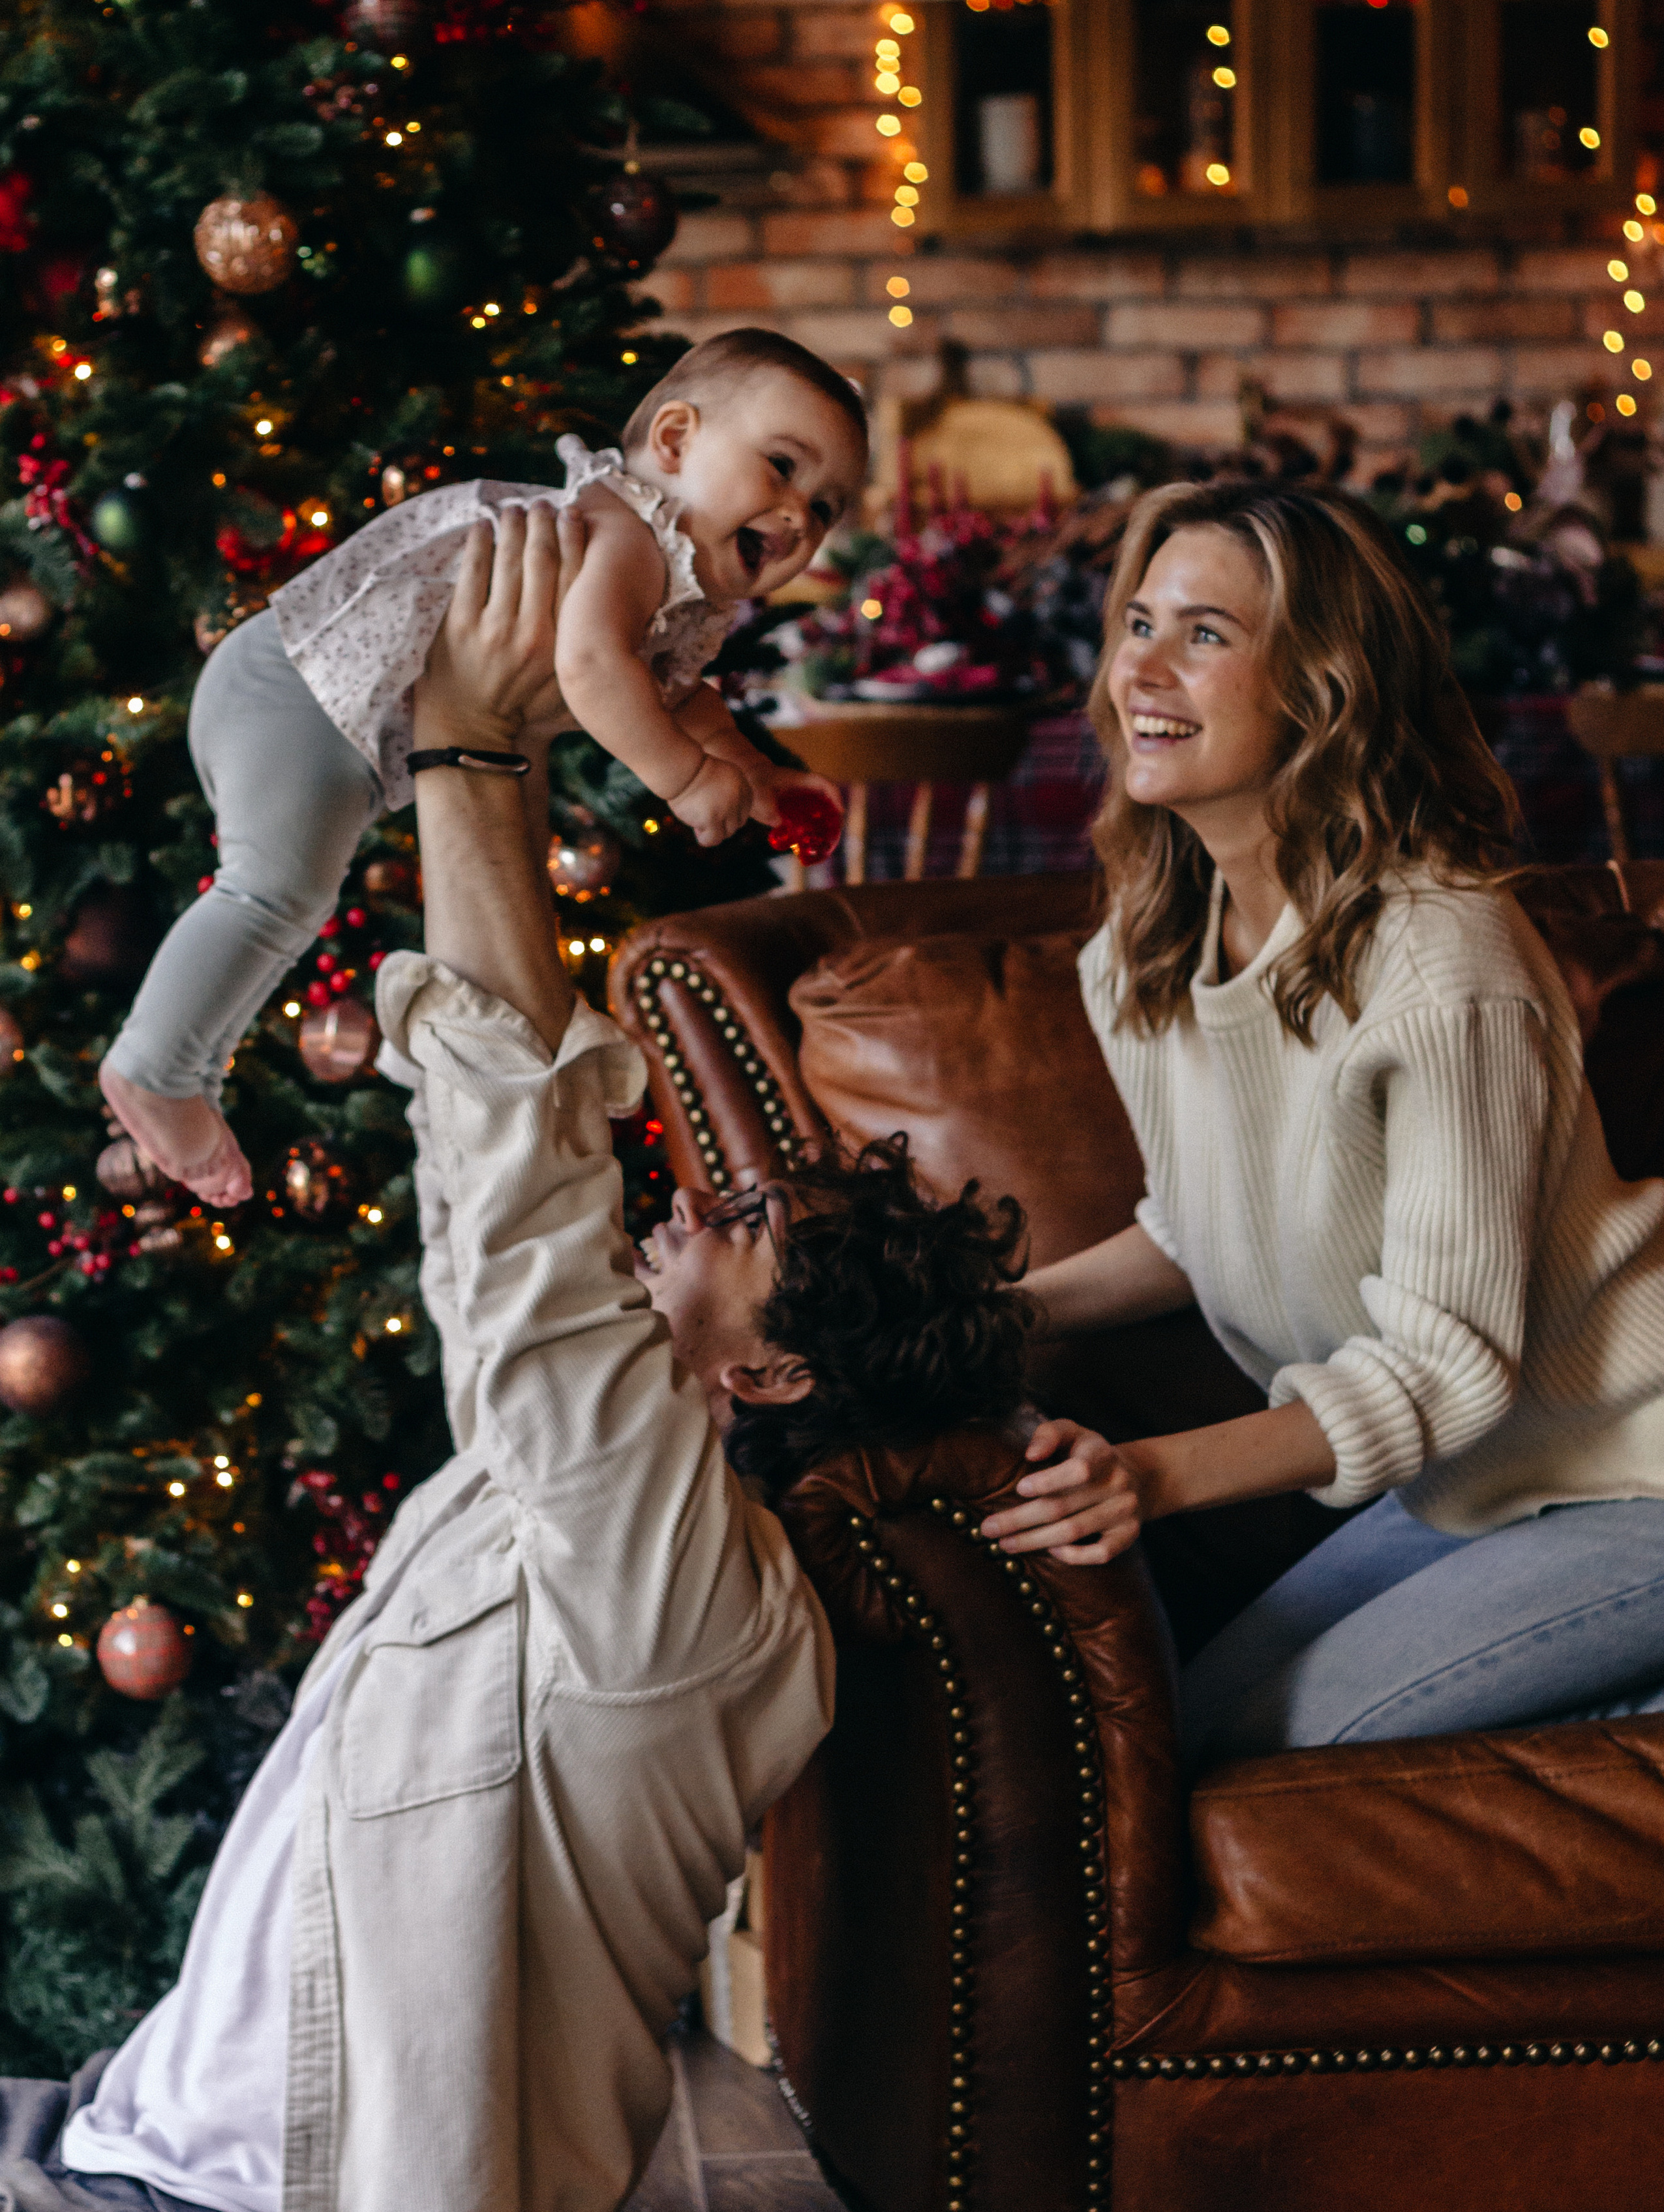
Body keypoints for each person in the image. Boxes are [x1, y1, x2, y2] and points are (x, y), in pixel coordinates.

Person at [0, 504, 1031, 2212]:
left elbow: (519, 1192)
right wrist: (523, 731)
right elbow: (519, 1159)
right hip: (123, 2128)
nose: (689, 1206)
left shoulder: (682, 1584)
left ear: (777, 1375)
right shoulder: (583, 1496)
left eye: (743, 1222)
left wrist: (475, 749)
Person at [982, 477, 1664, 1770]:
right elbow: (1196, 1225)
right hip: (1481, 1486)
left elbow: (1445, 1366)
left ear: (1321, 690)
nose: (1142, 671)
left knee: (1261, 1755)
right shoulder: (1142, 951)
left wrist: (1148, 1475)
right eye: (1138, 624)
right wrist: (1000, 1315)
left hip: (1641, 1463)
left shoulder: (1440, 957)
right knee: (1185, 1732)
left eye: (1204, 634)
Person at [98, 327, 862, 1210]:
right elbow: (593, 667)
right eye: (781, 467)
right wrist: (687, 781)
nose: (799, 516)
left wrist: (755, 775)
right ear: (676, 440)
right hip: (300, 684)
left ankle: (189, 1071)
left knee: (288, 901)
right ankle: (156, 1069)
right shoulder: (626, 534)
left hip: (322, 712)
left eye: (826, 508)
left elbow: (682, 698)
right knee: (273, 895)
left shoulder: (677, 586)